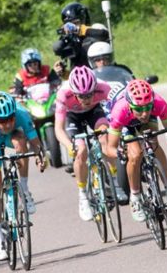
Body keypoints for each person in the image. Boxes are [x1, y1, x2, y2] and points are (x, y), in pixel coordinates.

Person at [0, 91, 45, 261]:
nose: (7, 124)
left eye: (10, 119)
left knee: (21, 142)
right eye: (2, 121)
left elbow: (36, 144)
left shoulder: (21, 114)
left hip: (13, 138)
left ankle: (25, 190)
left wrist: (41, 157)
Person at [104, 79, 167, 222]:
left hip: (144, 119)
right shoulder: (119, 110)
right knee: (135, 154)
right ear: (130, 104)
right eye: (139, 109)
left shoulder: (159, 103)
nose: (144, 113)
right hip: (126, 123)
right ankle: (135, 198)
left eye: (148, 107)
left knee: (153, 142)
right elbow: (110, 147)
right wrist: (119, 153)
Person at [54, 66, 126, 221]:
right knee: (80, 151)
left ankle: (114, 182)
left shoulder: (103, 87)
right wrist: (69, 146)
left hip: (95, 112)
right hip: (72, 117)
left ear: (95, 88)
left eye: (89, 94)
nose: (86, 99)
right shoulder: (63, 94)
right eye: (81, 96)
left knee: (105, 138)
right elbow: (58, 130)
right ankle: (83, 197)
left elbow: (118, 111)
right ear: (73, 92)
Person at [52, 2, 110, 74]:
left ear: (84, 19)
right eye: (70, 25)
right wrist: (63, 72)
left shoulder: (95, 29)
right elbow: (77, 74)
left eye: (76, 23)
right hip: (85, 82)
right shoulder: (71, 40)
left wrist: (79, 29)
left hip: (102, 74)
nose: (73, 27)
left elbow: (104, 34)